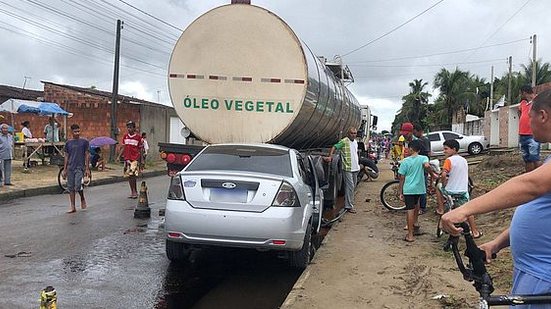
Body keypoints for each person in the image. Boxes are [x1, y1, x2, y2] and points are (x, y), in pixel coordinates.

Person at [441, 88, 551, 301]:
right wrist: (497, 243)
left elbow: (530, 185)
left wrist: (464, 210)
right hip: (533, 272)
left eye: (528, 117)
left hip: (544, 276)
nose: (525, 123)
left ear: (543, 116)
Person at [438, 139, 482, 237]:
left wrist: (444, 185)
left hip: (450, 191)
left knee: (438, 187)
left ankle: (440, 209)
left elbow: (444, 175)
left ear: (453, 149)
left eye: (446, 149)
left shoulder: (448, 160)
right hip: (463, 191)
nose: (444, 151)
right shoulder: (464, 160)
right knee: (469, 211)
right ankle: (475, 232)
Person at [398, 139, 431, 242]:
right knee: (416, 205)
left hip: (408, 189)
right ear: (419, 150)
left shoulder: (405, 161)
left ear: (411, 149)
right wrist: (432, 173)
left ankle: (410, 234)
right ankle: (415, 223)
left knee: (409, 210)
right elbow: (427, 165)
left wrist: (400, 191)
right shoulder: (423, 158)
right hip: (419, 188)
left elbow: (402, 177)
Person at [325, 127, 360, 213]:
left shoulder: (355, 142)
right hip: (347, 168)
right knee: (350, 186)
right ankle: (348, 206)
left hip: (355, 168)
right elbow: (335, 147)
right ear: (348, 134)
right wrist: (330, 156)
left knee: (353, 186)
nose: (353, 135)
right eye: (352, 133)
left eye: (355, 133)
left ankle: (350, 202)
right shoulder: (344, 141)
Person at [62, 124, 90, 213]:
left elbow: (87, 154)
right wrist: (65, 169)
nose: (77, 133)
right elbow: (66, 156)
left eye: (78, 131)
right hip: (71, 167)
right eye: (75, 132)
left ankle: (82, 198)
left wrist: (87, 168)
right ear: (71, 132)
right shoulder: (68, 143)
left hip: (79, 167)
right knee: (71, 188)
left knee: (78, 186)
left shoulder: (84, 142)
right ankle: (73, 206)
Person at [518, 85, 542, 173]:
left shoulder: (537, 101)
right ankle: (529, 177)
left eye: (521, 93)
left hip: (532, 134)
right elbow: (519, 112)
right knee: (527, 159)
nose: (521, 95)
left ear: (524, 92)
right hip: (522, 134)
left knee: (535, 157)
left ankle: (540, 177)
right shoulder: (523, 103)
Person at [118, 120, 143, 199]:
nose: (129, 129)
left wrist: (142, 160)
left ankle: (134, 191)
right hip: (127, 158)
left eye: (131, 127)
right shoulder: (125, 136)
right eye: (128, 127)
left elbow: (141, 149)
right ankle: (132, 191)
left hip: (134, 159)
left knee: (133, 175)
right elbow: (123, 147)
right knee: (129, 175)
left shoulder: (138, 137)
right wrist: (119, 156)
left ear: (134, 128)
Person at [412, 123, 432, 214]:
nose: (414, 133)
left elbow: (427, 153)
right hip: (420, 164)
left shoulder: (424, 140)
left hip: (423, 165)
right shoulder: (421, 140)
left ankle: (423, 207)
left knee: (422, 187)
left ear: (419, 131)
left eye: (415, 132)